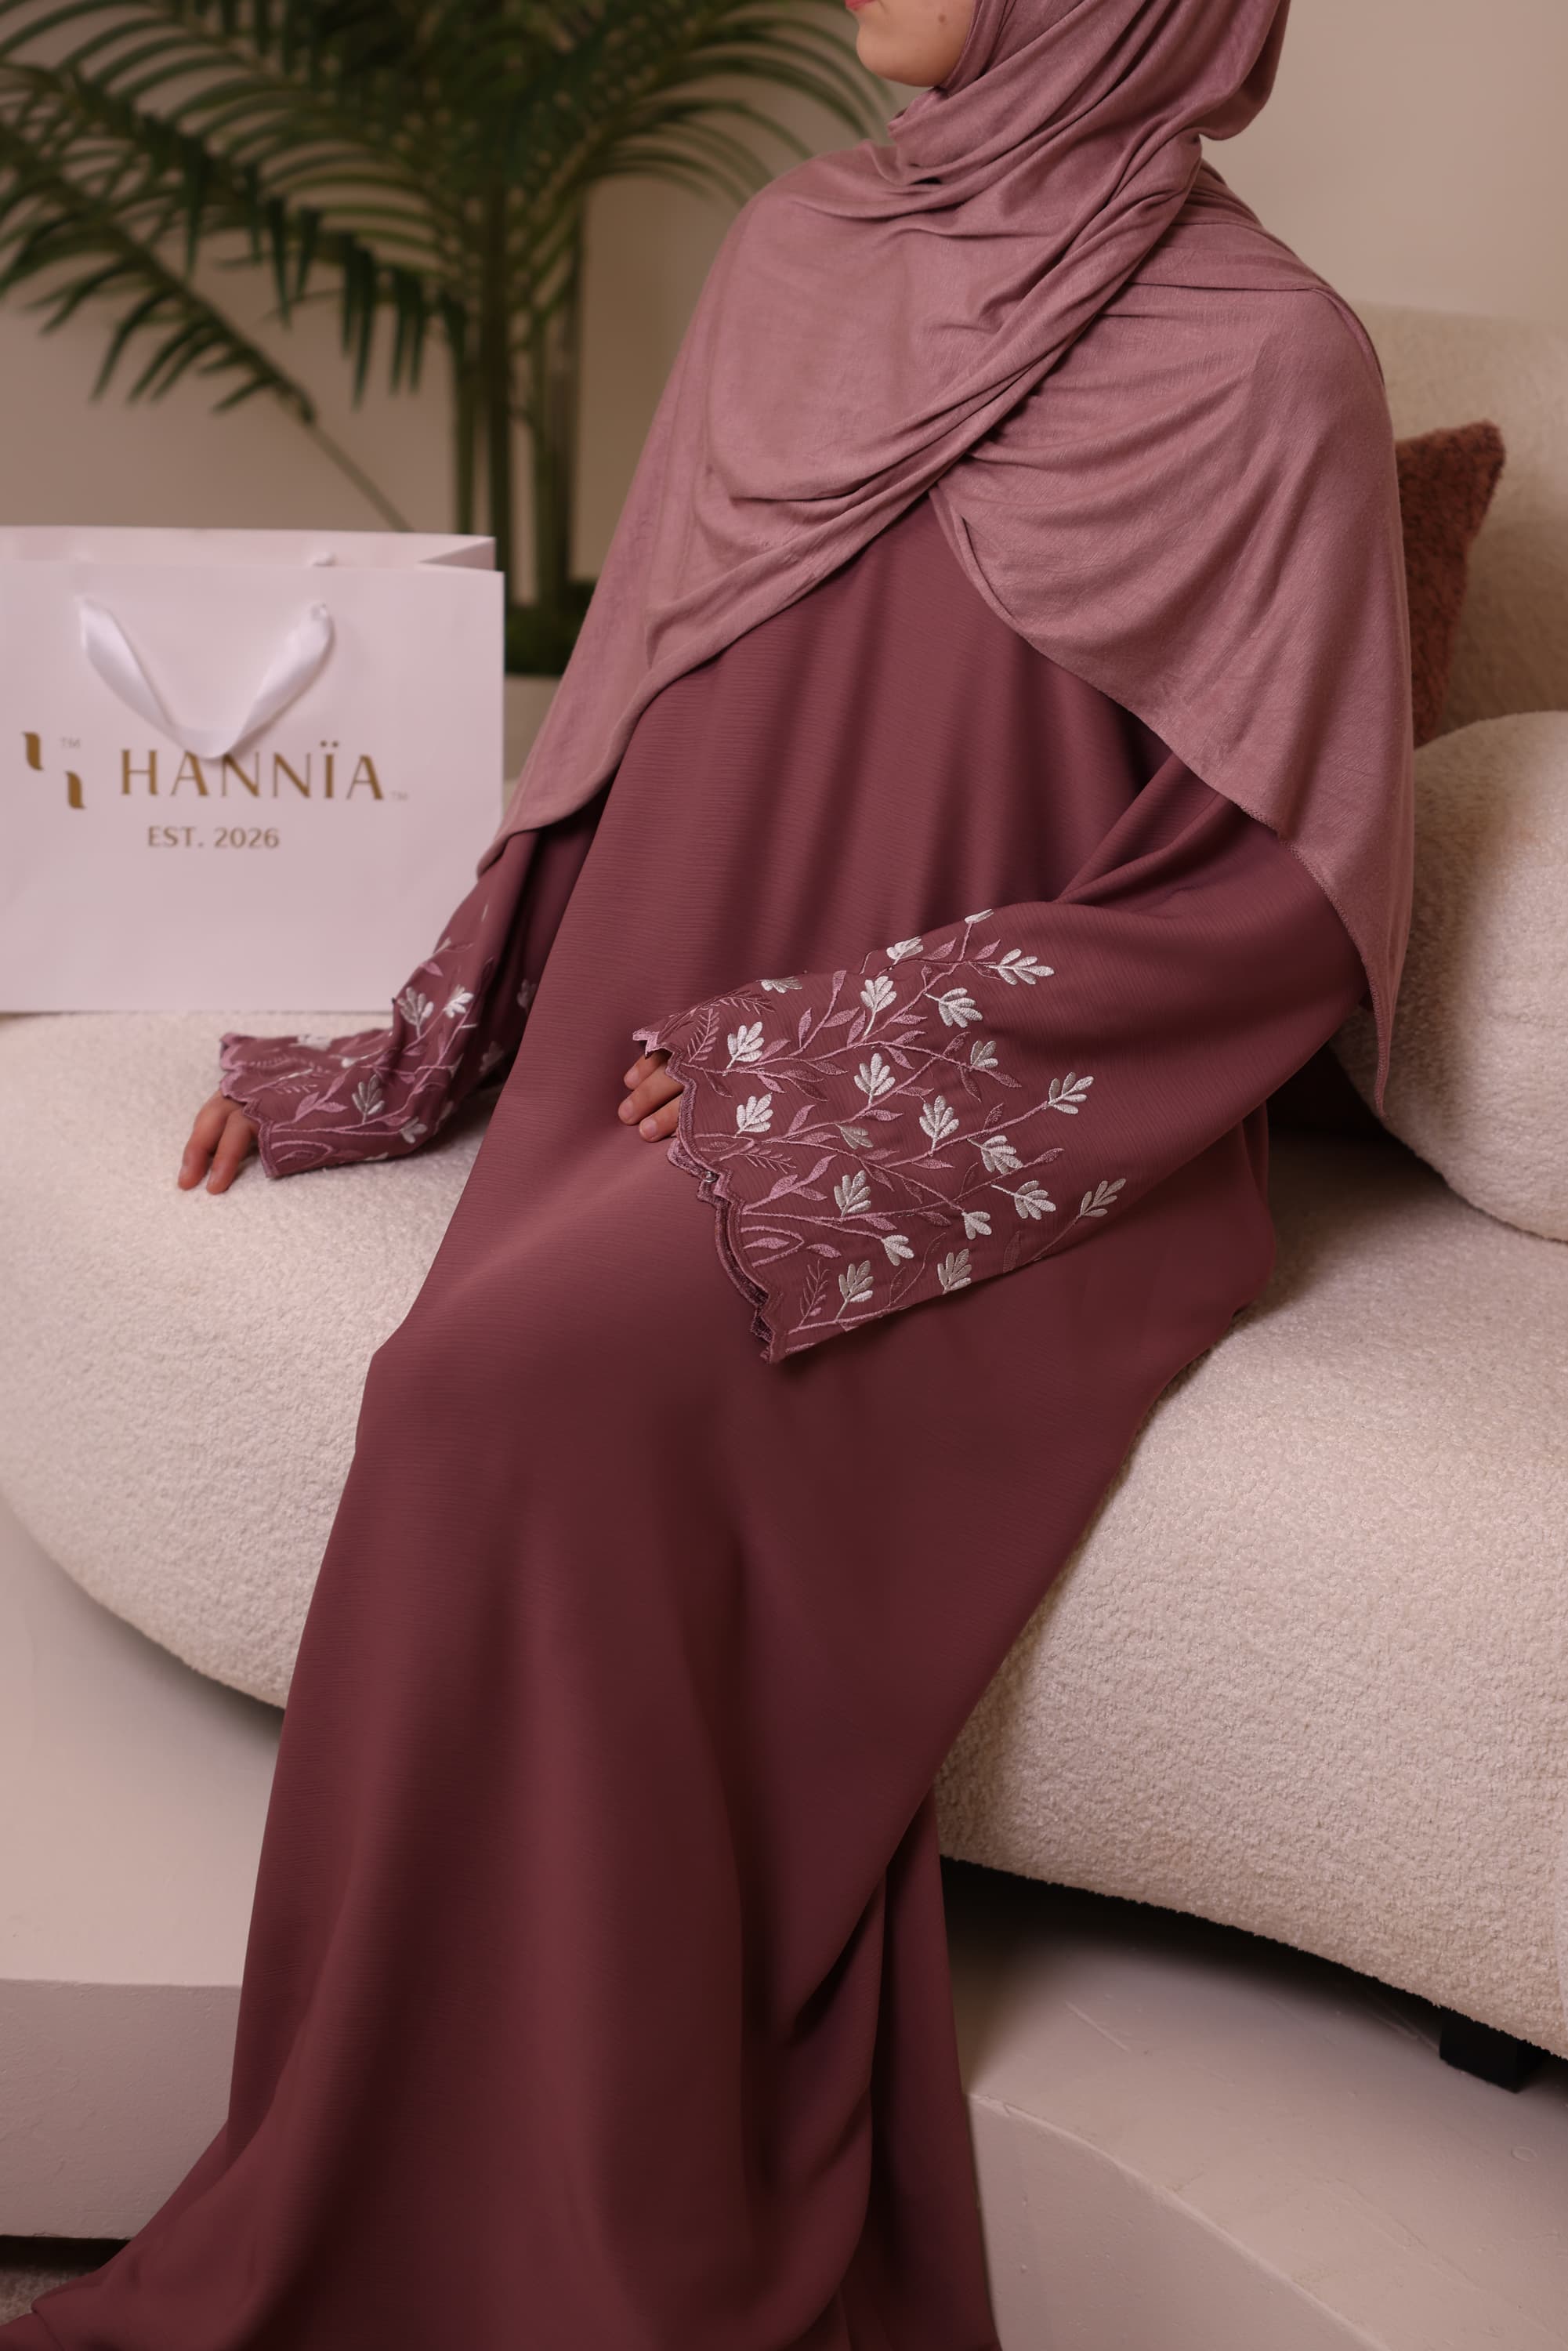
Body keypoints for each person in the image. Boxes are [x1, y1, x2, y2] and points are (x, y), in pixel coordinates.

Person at [3, 0, 1413, 2344]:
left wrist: (835, 1063)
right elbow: (630, 713)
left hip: (1012, 1127)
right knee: (459, 1391)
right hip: (659, 1024)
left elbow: (1274, 907)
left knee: (488, 1398)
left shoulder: (1273, 365)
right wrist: (430, 1039)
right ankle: (373, 2178)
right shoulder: (798, 252)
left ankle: (527, 2236)